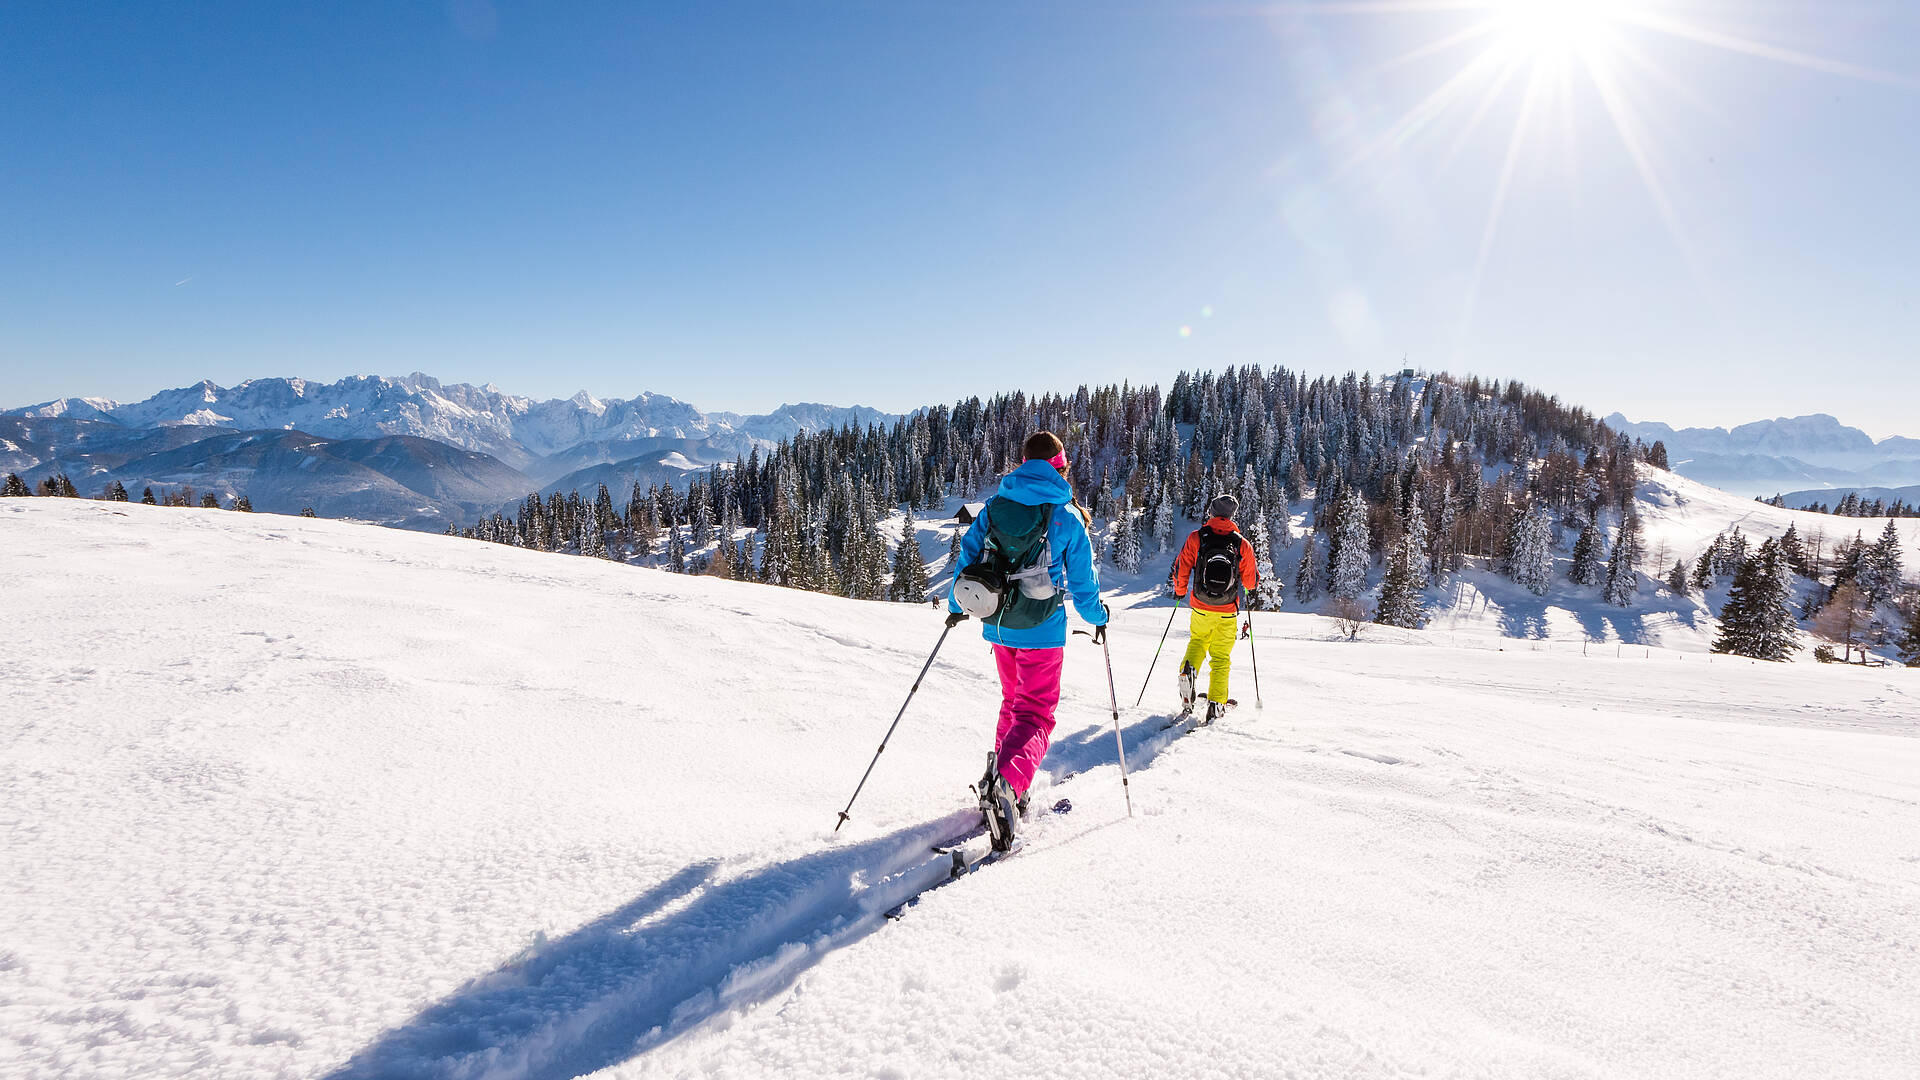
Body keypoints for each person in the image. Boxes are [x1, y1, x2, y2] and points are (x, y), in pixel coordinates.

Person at [946, 431, 1108, 850]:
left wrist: (956, 604)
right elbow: (1084, 582)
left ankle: (1000, 775)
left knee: (1013, 702)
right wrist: (1098, 617)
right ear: (1061, 465)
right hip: (1042, 630)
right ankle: (1009, 785)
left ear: (1022, 462)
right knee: (1036, 714)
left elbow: (969, 556)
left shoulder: (997, 506)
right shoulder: (1066, 515)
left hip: (997, 623)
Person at [1169, 493, 1259, 723]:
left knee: (1198, 642)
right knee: (1220, 657)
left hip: (1200, 605)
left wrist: (1180, 591)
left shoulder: (1197, 537)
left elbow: (1182, 567)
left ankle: (1187, 672)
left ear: (1211, 511)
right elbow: (1251, 582)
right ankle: (1217, 704)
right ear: (1232, 516)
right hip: (1227, 609)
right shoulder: (1241, 543)